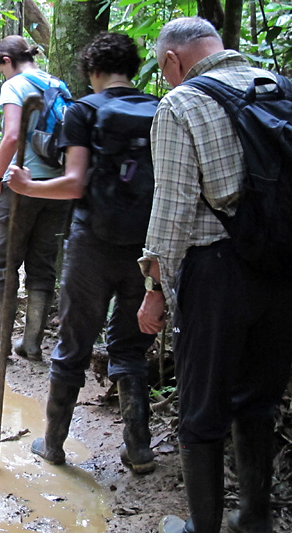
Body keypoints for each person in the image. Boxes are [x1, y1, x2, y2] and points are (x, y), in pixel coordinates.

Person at [138, 17, 292, 533]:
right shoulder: (277, 88)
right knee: (259, 401)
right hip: (280, 270)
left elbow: (174, 208)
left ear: (171, 61)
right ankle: (254, 519)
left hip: (216, 272)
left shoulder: (182, 104)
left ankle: (201, 527)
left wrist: (155, 289)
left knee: (201, 409)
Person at [8, 32, 157, 473]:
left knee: (73, 345)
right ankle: (140, 448)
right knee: (130, 349)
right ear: (133, 68)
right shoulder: (158, 109)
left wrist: (28, 186)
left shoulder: (84, 111)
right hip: (145, 250)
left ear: (92, 71)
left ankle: (54, 444)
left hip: (92, 244)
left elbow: (74, 182)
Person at [0, 35, 71, 360]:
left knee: (5, 262)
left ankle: (1, 338)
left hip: (21, 185)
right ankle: (31, 344)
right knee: (42, 264)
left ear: (5, 60)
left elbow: (12, 135)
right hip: (57, 188)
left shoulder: (14, 84)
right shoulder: (59, 85)